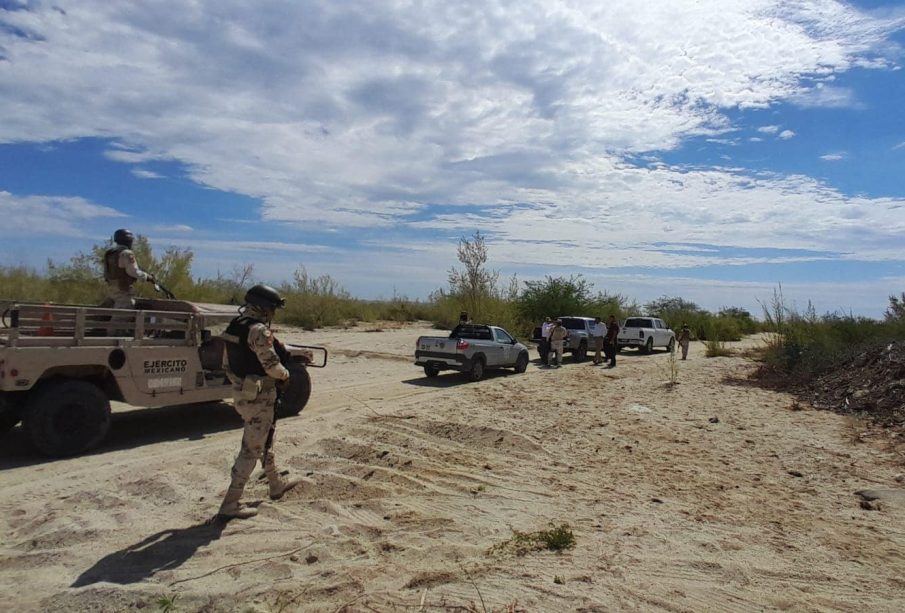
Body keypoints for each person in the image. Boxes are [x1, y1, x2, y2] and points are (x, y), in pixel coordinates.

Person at [217, 284, 301, 521]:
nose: (273, 314)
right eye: (272, 309)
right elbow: (272, 367)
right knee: (252, 448)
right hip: (260, 397)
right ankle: (230, 503)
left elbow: (227, 364)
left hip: (244, 393)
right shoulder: (258, 331)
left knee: (264, 440)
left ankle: (276, 484)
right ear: (264, 308)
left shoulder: (236, 326)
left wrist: (242, 383)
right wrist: (286, 375)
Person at [103, 228, 156, 310]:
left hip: (112, 289)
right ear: (128, 241)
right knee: (124, 315)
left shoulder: (110, 253)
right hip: (123, 290)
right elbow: (133, 271)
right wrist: (147, 277)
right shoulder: (127, 253)